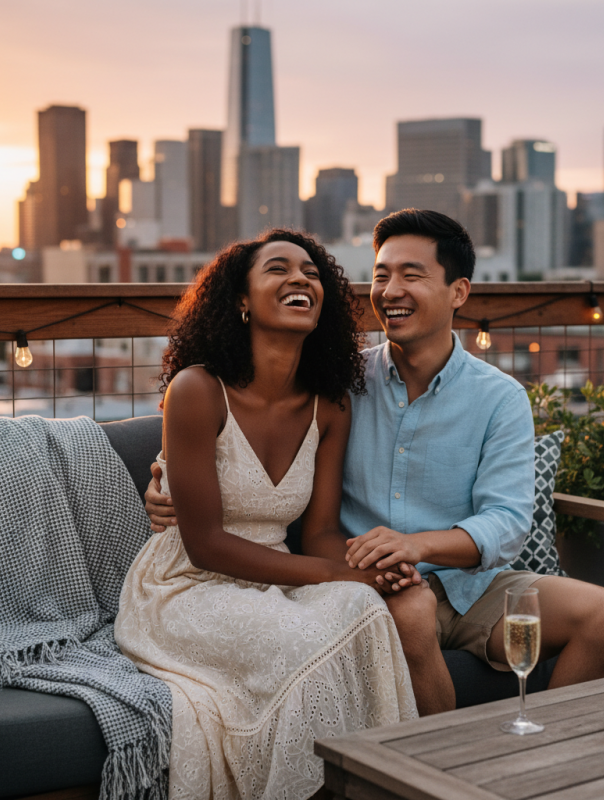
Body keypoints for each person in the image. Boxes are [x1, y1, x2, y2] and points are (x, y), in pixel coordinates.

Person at [146, 209, 604, 719]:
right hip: (369, 577)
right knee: (413, 613)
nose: (390, 290)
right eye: (381, 275)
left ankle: (542, 757)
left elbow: (507, 523)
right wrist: (164, 475)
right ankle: (438, 771)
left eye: (411, 275)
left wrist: (417, 546)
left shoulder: (501, 397)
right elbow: (249, 412)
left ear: (458, 292)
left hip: (471, 585)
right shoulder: (343, 382)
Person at [114, 229, 418, 800]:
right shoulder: (198, 390)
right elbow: (204, 544)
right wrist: (337, 574)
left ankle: (385, 785)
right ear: (241, 301)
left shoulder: (330, 405)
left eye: (310, 273)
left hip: (274, 577)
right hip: (185, 586)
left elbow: (323, 533)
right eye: (277, 269)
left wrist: (372, 570)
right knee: (312, 633)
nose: (300, 279)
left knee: (364, 607)